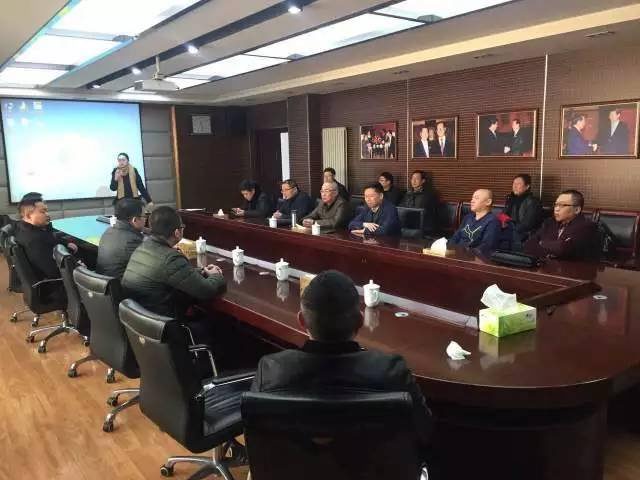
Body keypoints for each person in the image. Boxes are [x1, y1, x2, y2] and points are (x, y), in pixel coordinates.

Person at [251, 270, 433, 448]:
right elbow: (424, 432)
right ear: (360, 321)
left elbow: (256, 437)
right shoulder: (393, 371)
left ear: (302, 320)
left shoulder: (270, 370)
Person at [122, 206, 226, 319]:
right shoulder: (171, 258)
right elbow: (206, 291)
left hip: (140, 318)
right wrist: (216, 275)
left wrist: (201, 271)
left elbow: (173, 273)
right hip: (164, 322)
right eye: (182, 227)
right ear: (177, 232)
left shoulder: (143, 247)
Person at [14, 196, 78, 281]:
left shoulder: (22, 227)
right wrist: (77, 264)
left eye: (46, 211)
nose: (47, 214)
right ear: (29, 215)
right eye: (43, 212)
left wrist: (66, 243)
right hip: (57, 282)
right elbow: (54, 272)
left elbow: (50, 239)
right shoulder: (36, 240)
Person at [524, 190, 600, 260]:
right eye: (556, 205)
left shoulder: (587, 226)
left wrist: (541, 243)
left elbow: (563, 248)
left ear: (577, 210)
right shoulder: (550, 223)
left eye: (562, 205)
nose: (556, 209)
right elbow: (529, 244)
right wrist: (549, 251)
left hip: (574, 269)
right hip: (548, 267)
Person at [96, 198, 145, 278]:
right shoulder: (132, 240)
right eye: (144, 216)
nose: (145, 219)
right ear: (135, 220)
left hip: (103, 281)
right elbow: (148, 265)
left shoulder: (108, 231)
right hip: (119, 284)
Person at [448, 189, 501, 254]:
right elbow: (456, 237)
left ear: (488, 202)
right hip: (456, 254)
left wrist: (463, 253)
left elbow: (486, 247)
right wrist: (449, 249)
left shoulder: (493, 222)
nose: (472, 201)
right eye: (472, 198)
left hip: (473, 257)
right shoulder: (468, 217)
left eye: (476, 198)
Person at [503, 174, 543, 243]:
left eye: (518, 184)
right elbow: (503, 214)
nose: (515, 186)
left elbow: (527, 224)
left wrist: (509, 228)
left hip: (524, 234)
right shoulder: (510, 199)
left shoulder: (533, 202)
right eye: (514, 183)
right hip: (509, 230)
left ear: (527, 186)